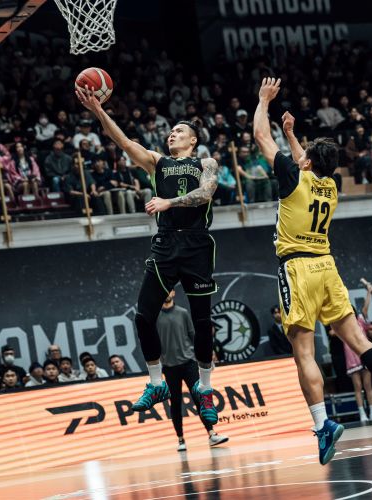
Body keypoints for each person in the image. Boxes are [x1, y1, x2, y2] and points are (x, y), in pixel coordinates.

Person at [253, 78, 372, 466]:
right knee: (358, 340)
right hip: (327, 267)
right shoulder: (330, 185)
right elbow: (307, 163)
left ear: (307, 162)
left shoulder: (294, 177)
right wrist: (291, 134)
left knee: (304, 353)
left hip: (297, 269)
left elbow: (260, 136)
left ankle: (323, 424)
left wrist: (264, 102)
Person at [77, 84, 219, 425]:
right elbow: (124, 143)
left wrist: (169, 202)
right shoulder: (158, 163)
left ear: (193, 140)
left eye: (179, 131)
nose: (172, 134)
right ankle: (156, 383)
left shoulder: (206, 162)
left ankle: (205, 389)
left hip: (197, 244)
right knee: (143, 316)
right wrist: (99, 111)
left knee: (202, 323)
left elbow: (206, 193)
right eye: (171, 131)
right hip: (166, 243)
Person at [157, 291, 229, 451]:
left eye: (169, 289)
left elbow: (193, 336)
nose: (166, 292)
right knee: (175, 403)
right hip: (169, 367)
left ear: (173, 293)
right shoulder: (155, 317)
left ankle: (212, 434)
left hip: (189, 363)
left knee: (199, 398)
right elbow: (153, 343)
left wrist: (205, 357)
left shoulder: (182, 313)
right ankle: (180, 440)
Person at [342, 286, 372, 423]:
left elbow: (365, 307)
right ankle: (362, 413)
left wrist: (369, 292)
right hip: (352, 359)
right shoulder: (342, 326)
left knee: (368, 385)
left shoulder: (361, 321)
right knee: (358, 387)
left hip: (364, 355)